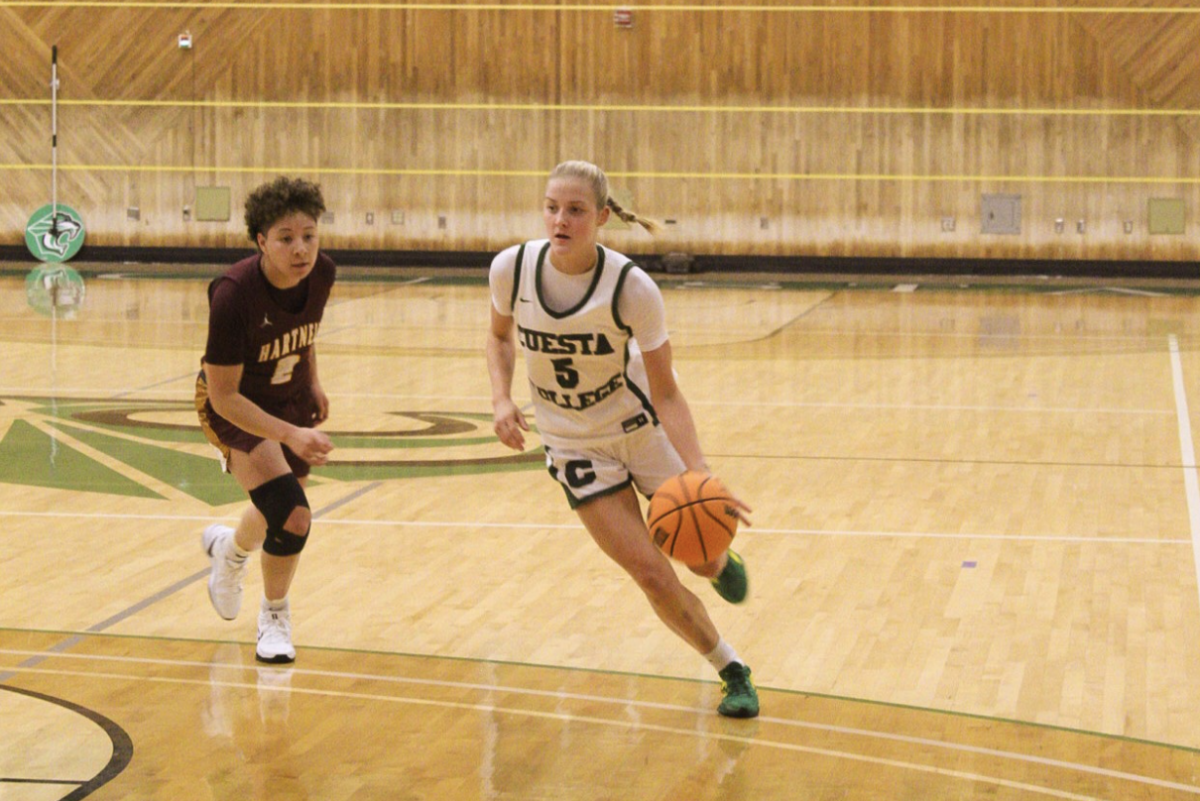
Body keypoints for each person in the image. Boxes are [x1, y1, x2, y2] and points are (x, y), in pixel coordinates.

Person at [485, 160, 759, 718]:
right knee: (652, 573)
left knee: (700, 560)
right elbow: (497, 338)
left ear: (602, 217)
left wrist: (701, 471)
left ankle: (718, 561)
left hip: (642, 431)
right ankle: (731, 668)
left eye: (576, 210)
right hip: (574, 446)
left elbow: (667, 393)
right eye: (552, 207)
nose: (560, 220)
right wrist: (501, 398)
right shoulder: (511, 269)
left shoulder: (632, 287)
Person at [194, 176, 335, 665]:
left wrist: (312, 381)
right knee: (294, 516)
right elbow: (225, 396)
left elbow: (305, 331)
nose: (301, 249)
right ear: (261, 241)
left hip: (288, 395)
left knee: (275, 503)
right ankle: (274, 616)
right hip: (234, 406)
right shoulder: (233, 294)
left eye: (309, 235)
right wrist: (290, 433)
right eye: (286, 238)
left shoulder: (323, 274)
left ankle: (229, 552)